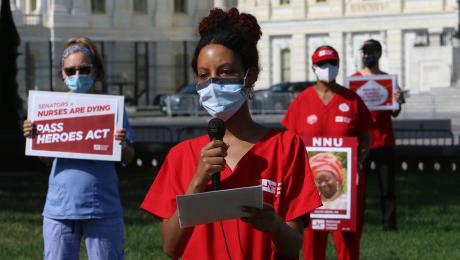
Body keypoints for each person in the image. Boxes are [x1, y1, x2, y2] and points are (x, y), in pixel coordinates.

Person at [140, 8, 321, 260]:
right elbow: (170, 248)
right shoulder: (181, 156)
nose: (213, 83)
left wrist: (275, 226)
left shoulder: (285, 147)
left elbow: (293, 248)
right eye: (204, 75)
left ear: (250, 76)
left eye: (225, 72)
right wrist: (198, 180)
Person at [23, 36, 135, 260]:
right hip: (60, 208)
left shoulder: (111, 109)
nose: (77, 75)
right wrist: (35, 137)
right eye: (71, 70)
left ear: (95, 72)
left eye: (84, 69)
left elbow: (128, 158)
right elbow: (46, 161)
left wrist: (120, 144)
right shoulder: (50, 109)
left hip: (102, 206)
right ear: (62, 74)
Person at [282, 45, 372, 260]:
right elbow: (290, 142)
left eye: (332, 63)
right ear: (313, 67)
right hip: (311, 188)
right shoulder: (301, 102)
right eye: (322, 63)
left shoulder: (351, 100)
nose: (327, 67)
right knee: (312, 245)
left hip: (345, 189)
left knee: (348, 245)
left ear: (338, 66)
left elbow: (366, 137)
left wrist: (358, 163)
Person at [352, 39, 405, 231]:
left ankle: (389, 225)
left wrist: (399, 101)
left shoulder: (388, 80)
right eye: (364, 52)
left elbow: (395, 113)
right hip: (361, 144)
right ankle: (357, 223)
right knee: (359, 189)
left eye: (370, 52)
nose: (367, 56)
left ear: (379, 54)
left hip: (384, 141)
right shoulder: (354, 80)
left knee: (387, 189)